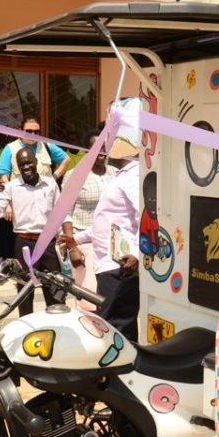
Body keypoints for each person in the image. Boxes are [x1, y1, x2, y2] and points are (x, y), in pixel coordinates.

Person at [58, 136, 140, 340]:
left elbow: (145, 216)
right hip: (107, 266)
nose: (104, 150)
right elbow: (107, 223)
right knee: (109, 326)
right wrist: (76, 239)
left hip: (119, 266)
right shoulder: (122, 175)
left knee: (116, 330)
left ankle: (121, 372)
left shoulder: (132, 175)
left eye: (108, 144)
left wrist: (137, 252)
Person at [0, 149, 64, 316]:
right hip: (24, 245)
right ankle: (27, 329)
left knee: (55, 289)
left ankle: (58, 325)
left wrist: (61, 239)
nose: (26, 167)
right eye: (22, 165)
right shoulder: (11, 187)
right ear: (18, 167)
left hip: (47, 244)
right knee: (24, 292)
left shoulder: (50, 184)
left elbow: (60, 212)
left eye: (29, 162)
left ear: (36, 162)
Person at [61, 130, 113, 308]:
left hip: (112, 245)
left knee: (109, 297)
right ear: (86, 149)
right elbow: (65, 212)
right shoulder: (75, 175)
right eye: (97, 147)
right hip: (85, 244)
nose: (101, 152)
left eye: (105, 147)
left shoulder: (115, 173)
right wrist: (72, 247)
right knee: (89, 301)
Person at [0, 116, 69, 184]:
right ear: (20, 130)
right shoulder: (10, 148)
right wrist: (10, 192)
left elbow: (66, 159)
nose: (33, 135)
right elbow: (3, 176)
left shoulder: (46, 146)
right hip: (21, 195)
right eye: (29, 131)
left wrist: (53, 178)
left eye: (36, 132)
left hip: (45, 195)